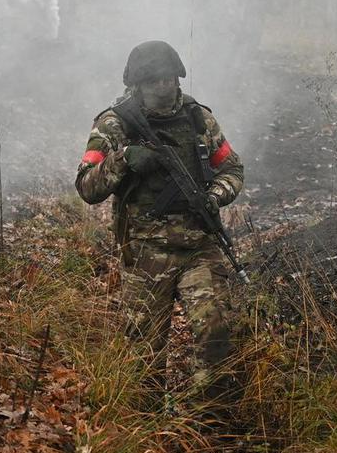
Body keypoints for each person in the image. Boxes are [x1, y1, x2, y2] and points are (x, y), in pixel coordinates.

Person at [75, 40, 245, 412]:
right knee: (144, 351)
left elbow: (232, 168)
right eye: (154, 82)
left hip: (200, 247)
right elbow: (87, 187)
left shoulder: (199, 118)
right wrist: (122, 161)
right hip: (145, 254)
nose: (164, 87)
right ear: (137, 84)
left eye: (169, 79)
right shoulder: (114, 123)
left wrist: (214, 196)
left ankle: (207, 427)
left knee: (214, 332)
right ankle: (146, 434)